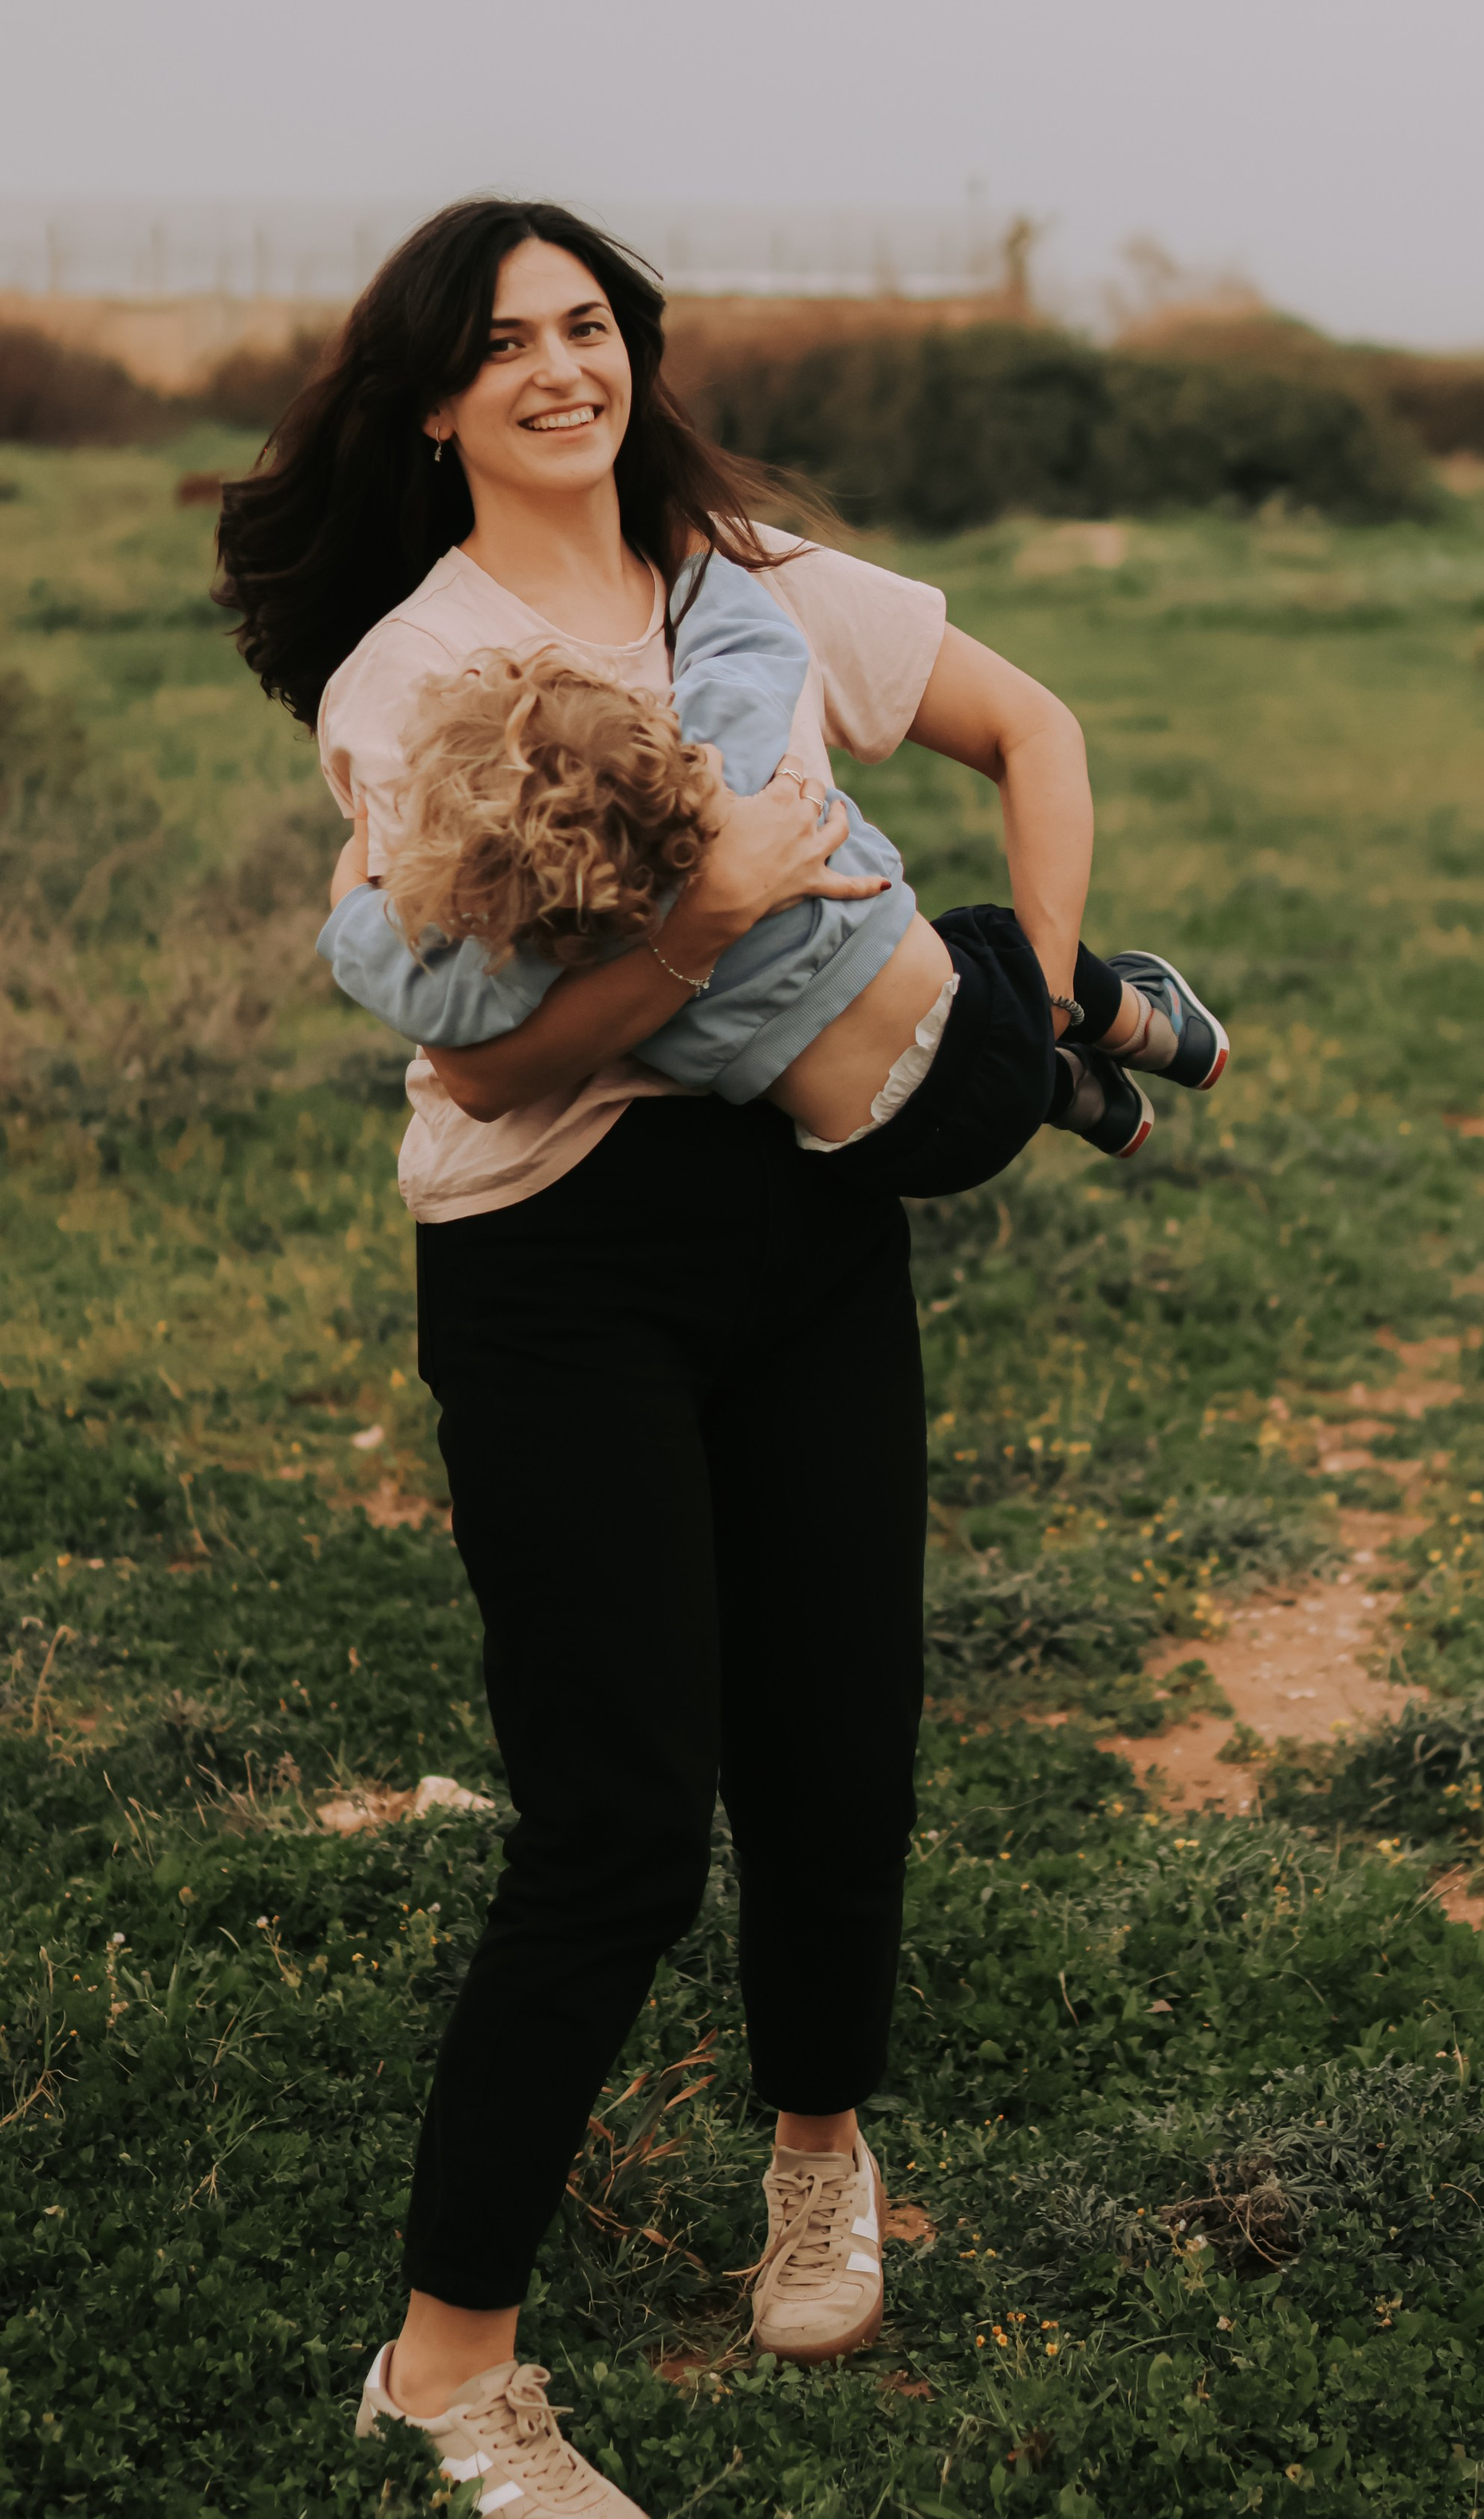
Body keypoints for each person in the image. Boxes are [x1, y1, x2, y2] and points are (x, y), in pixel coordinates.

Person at [207, 196, 1187, 2519]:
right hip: (567, 1262)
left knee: (839, 1743)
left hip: (814, 1225)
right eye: (508, 342)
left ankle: (819, 2161)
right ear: (432, 399)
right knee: (623, 1822)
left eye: (591, 326)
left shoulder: (744, 573)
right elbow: (487, 1076)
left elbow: (1024, 720)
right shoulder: (411, 675)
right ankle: (448, 2370)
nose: (563, 368)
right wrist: (711, 918)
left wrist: (1033, 1007)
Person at [318, 541, 1230, 1191]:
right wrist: (693, 560)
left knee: (969, 1052)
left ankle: (1075, 1095)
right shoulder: (735, 771)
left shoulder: (549, 944)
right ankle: (1149, 1028)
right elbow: (750, 646)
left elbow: (411, 983)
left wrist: (356, 893)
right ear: (660, 737)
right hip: (986, 1029)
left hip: (888, 1151)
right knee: (987, 937)